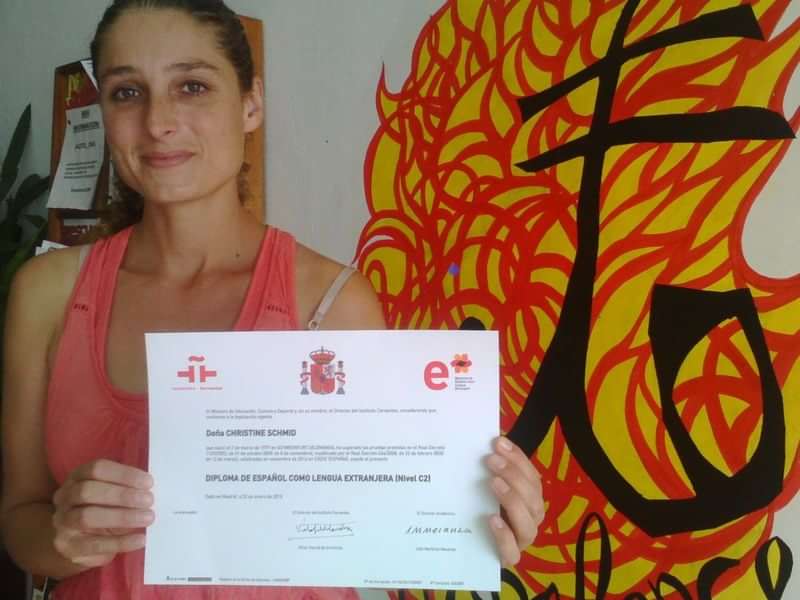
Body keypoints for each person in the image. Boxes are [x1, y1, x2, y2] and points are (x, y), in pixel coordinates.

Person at [0, 1, 545, 598]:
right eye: (127, 92)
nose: (158, 121)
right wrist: (62, 538)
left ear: (251, 103)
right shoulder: (48, 292)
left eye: (191, 86)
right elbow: (20, 521)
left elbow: (381, 508)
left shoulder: (331, 302)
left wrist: (473, 518)